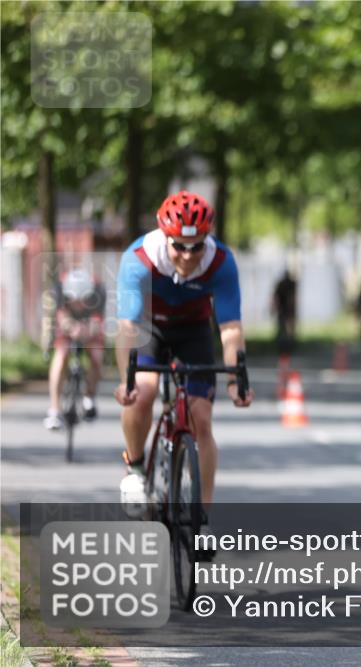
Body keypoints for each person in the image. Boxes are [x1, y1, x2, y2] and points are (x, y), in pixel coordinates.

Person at [113, 191, 254, 537]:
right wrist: (125, 380)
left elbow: (231, 328)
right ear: (165, 237)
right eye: (179, 246)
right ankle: (135, 467)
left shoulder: (221, 262)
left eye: (197, 247)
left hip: (193, 329)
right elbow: (127, 328)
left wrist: (237, 380)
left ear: (207, 240)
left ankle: (201, 519)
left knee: (201, 419)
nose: (188, 256)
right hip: (149, 326)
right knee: (142, 393)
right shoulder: (139, 258)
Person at [44, 268, 106, 430]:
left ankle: (89, 398)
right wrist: (71, 328)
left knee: (97, 357)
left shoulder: (99, 291)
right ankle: (55, 410)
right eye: (73, 299)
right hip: (68, 325)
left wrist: (87, 330)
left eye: (82, 299)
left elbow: (97, 321)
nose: (78, 304)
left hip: (89, 326)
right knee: (61, 355)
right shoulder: (59, 290)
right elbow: (61, 317)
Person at [272, 268, 298, 354]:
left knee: (286, 329)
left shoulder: (288, 284)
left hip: (286, 310)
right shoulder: (288, 284)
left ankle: (287, 346)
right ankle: (284, 346)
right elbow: (276, 298)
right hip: (285, 310)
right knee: (284, 328)